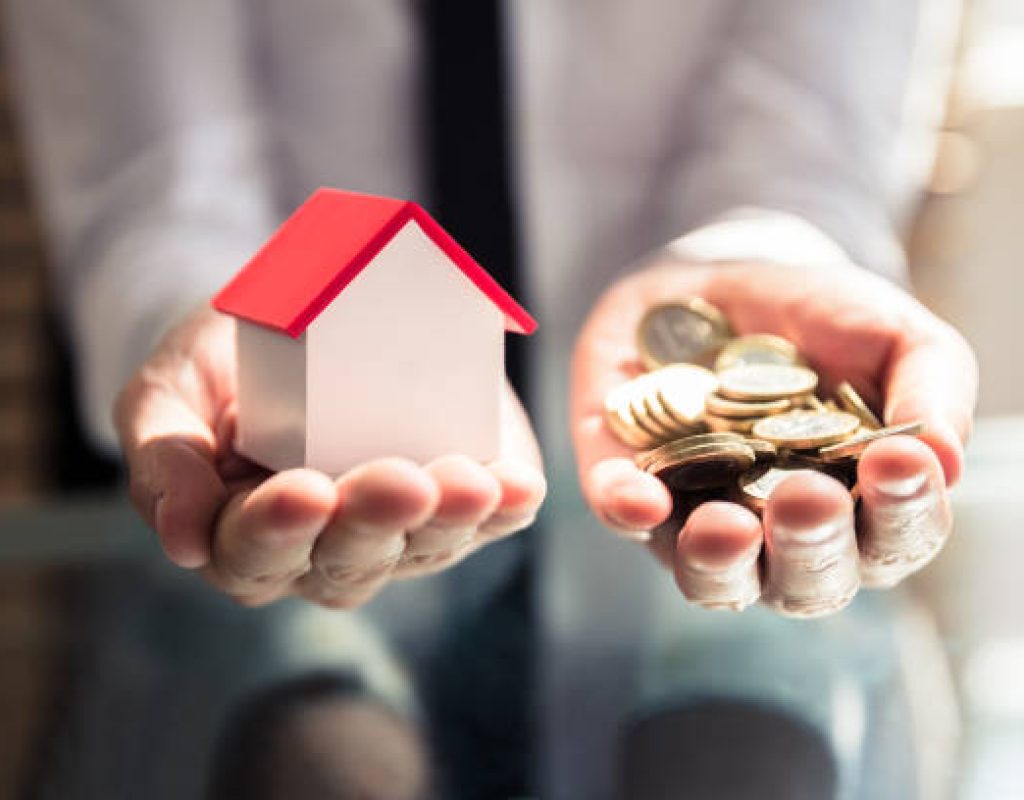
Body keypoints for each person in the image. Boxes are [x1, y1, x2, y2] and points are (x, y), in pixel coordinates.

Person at [4, 0, 975, 796]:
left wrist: (767, 255)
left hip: (660, 529)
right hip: (252, 559)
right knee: (320, 758)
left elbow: (807, 137)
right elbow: (159, 177)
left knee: (743, 756)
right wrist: (201, 318)